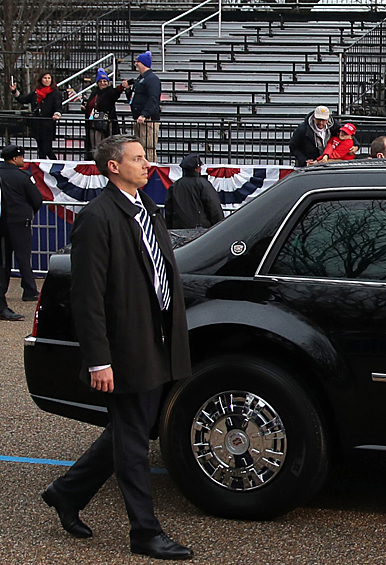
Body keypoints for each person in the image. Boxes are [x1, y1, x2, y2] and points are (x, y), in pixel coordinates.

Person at [41, 134, 193, 560]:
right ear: (113, 166)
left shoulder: (146, 209)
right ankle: (144, 531)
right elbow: (88, 296)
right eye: (139, 158)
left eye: (147, 158)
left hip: (155, 337)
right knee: (131, 438)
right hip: (124, 347)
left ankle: (66, 492)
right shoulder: (98, 216)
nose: (148, 164)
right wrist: (98, 360)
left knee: (131, 428)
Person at [0, 143, 42, 303]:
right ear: (15, 158)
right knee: (23, 257)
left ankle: (2, 291)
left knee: (3, 259)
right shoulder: (23, 176)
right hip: (20, 220)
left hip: (3, 221)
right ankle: (29, 290)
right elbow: (36, 198)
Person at [10, 71, 63, 160]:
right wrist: (14, 91)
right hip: (37, 124)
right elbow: (23, 99)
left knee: (47, 148)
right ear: (41, 80)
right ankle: (42, 169)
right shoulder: (36, 92)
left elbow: (58, 106)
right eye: (45, 78)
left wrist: (57, 114)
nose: (47, 80)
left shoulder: (55, 93)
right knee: (41, 150)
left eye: (49, 78)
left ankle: (55, 165)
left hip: (48, 124)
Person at [121, 51, 162, 163]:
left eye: (137, 61)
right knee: (140, 147)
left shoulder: (152, 79)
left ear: (143, 63)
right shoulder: (139, 79)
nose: (135, 64)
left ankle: (151, 169)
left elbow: (153, 98)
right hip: (139, 118)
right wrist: (128, 90)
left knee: (148, 147)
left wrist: (145, 114)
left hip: (147, 120)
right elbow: (134, 99)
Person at [165, 153, 224, 229]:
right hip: (200, 230)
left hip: (178, 230)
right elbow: (213, 207)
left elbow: (169, 211)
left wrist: (169, 228)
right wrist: (219, 226)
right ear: (196, 169)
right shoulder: (203, 184)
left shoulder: (175, 186)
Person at [81, 68, 123, 160]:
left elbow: (116, 93)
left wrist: (121, 87)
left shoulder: (109, 92)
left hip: (105, 124)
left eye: (105, 81)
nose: (103, 83)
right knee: (93, 144)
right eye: (100, 81)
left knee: (103, 144)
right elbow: (91, 105)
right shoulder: (94, 92)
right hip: (92, 122)